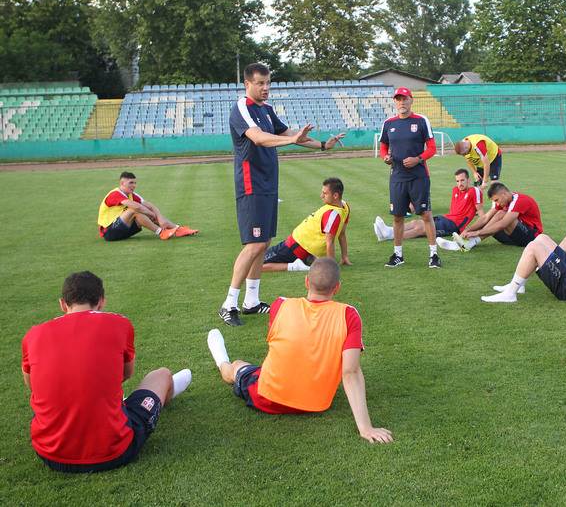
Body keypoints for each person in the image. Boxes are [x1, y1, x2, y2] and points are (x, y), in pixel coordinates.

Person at [206, 258, 393, 444]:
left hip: (267, 398)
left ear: (306, 281)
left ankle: (222, 361)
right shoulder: (349, 315)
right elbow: (350, 371)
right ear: (337, 288)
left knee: (237, 366)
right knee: (255, 369)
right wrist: (365, 428)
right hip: (316, 403)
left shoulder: (280, 305)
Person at [21, 271, 192, 473]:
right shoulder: (119, 323)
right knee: (161, 375)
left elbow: (32, 385)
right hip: (114, 451)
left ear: (62, 304)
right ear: (101, 302)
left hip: (49, 453)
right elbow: (125, 374)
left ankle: (110, 406)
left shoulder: (34, 334)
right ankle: (153, 400)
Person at [220, 62, 345, 326]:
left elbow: (289, 134)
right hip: (251, 186)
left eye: (268, 83)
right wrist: (292, 139)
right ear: (247, 84)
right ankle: (229, 303)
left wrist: (322, 145)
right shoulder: (241, 108)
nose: (266, 88)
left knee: (264, 243)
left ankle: (251, 301)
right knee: (253, 244)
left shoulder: (266, 109)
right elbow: (259, 138)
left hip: (268, 185)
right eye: (260, 83)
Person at [379, 86, 440, 268]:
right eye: (398, 99)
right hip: (397, 177)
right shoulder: (389, 123)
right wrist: (386, 158)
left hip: (419, 176)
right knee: (398, 217)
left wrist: (418, 159)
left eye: (405, 98)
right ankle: (398, 255)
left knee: (426, 215)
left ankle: (434, 255)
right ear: (395, 102)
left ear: (411, 100)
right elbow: (383, 146)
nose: (401, 102)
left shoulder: (421, 121)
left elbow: (432, 148)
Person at [375, 168, 484, 251]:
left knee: (421, 229)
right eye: (457, 181)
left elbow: (480, 213)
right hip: (446, 218)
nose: (460, 184)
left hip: (454, 226)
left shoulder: (474, 191)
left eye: (462, 180)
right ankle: (389, 230)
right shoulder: (455, 190)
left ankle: (389, 235)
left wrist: (472, 229)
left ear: (468, 180)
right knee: (415, 222)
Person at [261, 177, 351, 273]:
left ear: (335, 195)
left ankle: (295, 266)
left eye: (325, 193)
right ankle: (309, 258)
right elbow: (341, 234)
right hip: (300, 244)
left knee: (255, 263)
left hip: (295, 246)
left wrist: (331, 268)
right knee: (256, 259)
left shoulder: (332, 214)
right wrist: (344, 256)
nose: (321, 196)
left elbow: (330, 242)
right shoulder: (345, 207)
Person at [97, 171, 197, 241]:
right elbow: (137, 208)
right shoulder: (115, 194)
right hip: (109, 233)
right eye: (131, 183)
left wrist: (160, 217)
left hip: (122, 230)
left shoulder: (132, 195)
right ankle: (161, 232)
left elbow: (151, 206)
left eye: (135, 183)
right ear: (122, 183)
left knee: (142, 212)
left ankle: (178, 229)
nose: (134, 185)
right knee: (135, 210)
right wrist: (153, 215)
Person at [453, 182, 543, 251]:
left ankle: (473, 242)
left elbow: (503, 224)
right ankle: (471, 242)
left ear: (504, 194)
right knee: (495, 216)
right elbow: (485, 218)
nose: (497, 203)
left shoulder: (519, 201)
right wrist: (468, 230)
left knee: (501, 214)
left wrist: (477, 233)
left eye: (497, 200)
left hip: (532, 238)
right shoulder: (505, 200)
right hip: (514, 238)